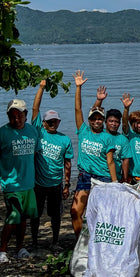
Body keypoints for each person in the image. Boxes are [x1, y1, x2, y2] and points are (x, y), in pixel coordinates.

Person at [71, 71, 117, 239]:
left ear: (103, 121)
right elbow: (77, 109)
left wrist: (114, 183)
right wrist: (78, 88)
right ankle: (80, 243)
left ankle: (99, 242)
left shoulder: (107, 137)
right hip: (85, 177)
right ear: (89, 121)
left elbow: (110, 162)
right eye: (94, 118)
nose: (97, 121)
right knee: (76, 211)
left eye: (100, 119)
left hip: (103, 178)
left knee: (102, 215)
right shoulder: (83, 131)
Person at [30, 80, 73, 250]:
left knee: (56, 216)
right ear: (44, 122)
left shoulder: (65, 139)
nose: (53, 124)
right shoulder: (38, 132)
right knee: (35, 215)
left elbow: (67, 163)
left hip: (56, 184)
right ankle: (34, 243)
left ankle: (55, 242)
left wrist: (67, 184)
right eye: (50, 121)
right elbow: (35, 109)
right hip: (38, 184)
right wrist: (40, 88)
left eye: (56, 121)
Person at [0, 98, 40, 262]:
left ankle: (20, 248)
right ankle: (2, 250)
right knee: (13, 216)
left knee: (23, 218)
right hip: (11, 183)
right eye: (12, 116)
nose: (16, 120)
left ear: (25, 114)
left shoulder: (32, 131)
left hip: (28, 183)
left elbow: (36, 153)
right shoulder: (3, 133)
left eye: (19, 116)